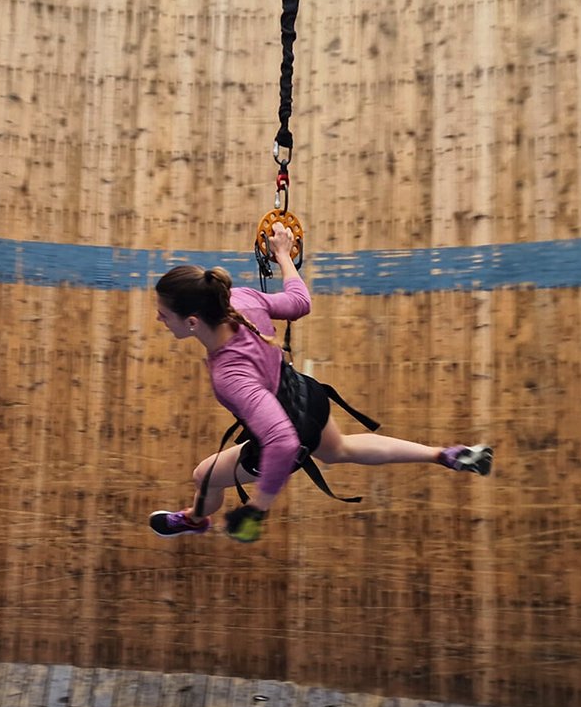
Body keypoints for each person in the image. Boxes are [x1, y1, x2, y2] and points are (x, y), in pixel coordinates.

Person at [150, 222, 493, 543]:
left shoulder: (230, 375)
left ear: (193, 322)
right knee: (339, 449)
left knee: (203, 476)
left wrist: (258, 508)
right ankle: (443, 454)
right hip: (307, 395)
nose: (159, 318)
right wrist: (284, 255)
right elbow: (300, 303)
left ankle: (196, 519)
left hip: (291, 429)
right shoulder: (240, 298)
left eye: (164, 315)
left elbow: (282, 443)